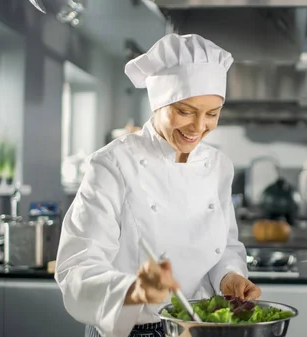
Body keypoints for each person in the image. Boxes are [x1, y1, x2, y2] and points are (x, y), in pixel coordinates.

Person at [55, 33, 261, 337]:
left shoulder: (218, 166)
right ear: (158, 103)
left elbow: (225, 245)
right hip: (132, 329)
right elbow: (78, 267)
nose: (199, 127)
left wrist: (229, 276)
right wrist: (135, 289)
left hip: (197, 327)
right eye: (185, 111)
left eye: (212, 114)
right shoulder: (114, 163)